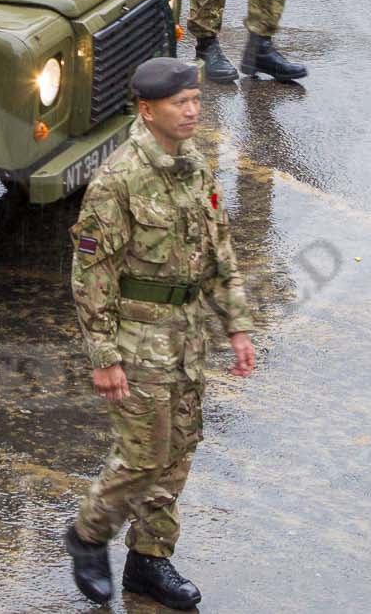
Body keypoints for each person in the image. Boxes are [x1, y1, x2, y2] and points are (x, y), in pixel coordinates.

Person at [63, 57, 255, 612]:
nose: (193, 111)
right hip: (137, 339)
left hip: (188, 335)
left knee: (179, 450)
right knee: (144, 454)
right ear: (148, 111)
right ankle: (88, 533)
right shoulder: (118, 180)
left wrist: (236, 324)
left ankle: (149, 560)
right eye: (181, 103)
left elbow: (220, 252)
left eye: (196, 100)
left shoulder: (195, 165)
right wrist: (104, 355)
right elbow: (91, 274)